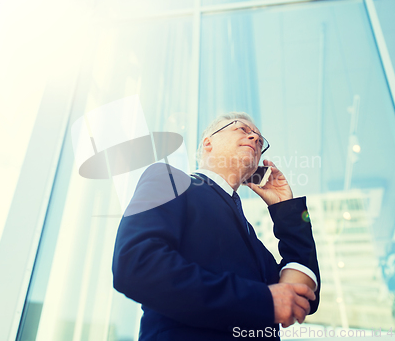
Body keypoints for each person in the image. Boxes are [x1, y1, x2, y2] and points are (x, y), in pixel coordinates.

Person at [112, 112, 320, 340]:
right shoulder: (170, 179)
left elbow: (301, 295)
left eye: (260, 141)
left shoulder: (253, 242)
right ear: (208, 142)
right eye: (242, 129)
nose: (254, 140)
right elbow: (137, 264)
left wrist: (286, 209)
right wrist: (260, 301)